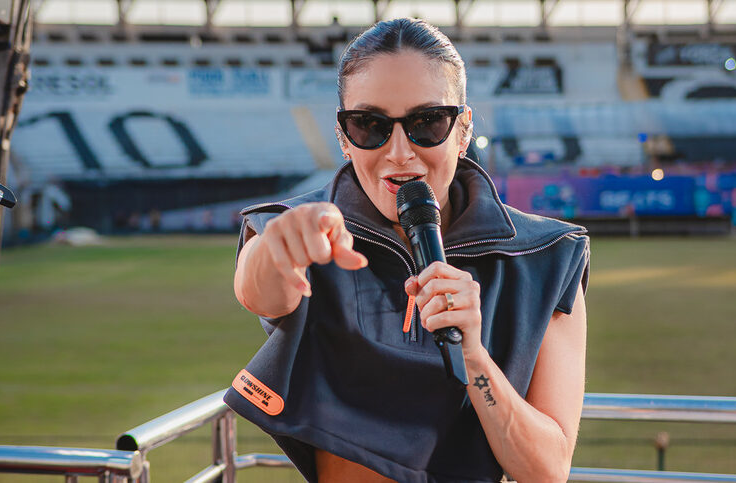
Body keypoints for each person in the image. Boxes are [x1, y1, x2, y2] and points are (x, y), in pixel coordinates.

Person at [224, 18, 589, 483]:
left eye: (427, 122)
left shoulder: (548, 255)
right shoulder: (299, 229)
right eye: (370, 124)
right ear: (342, 135)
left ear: (463, 129)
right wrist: (276, 245)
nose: (399, 151)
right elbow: (260, 291)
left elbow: (547, 469)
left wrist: (474, 356)